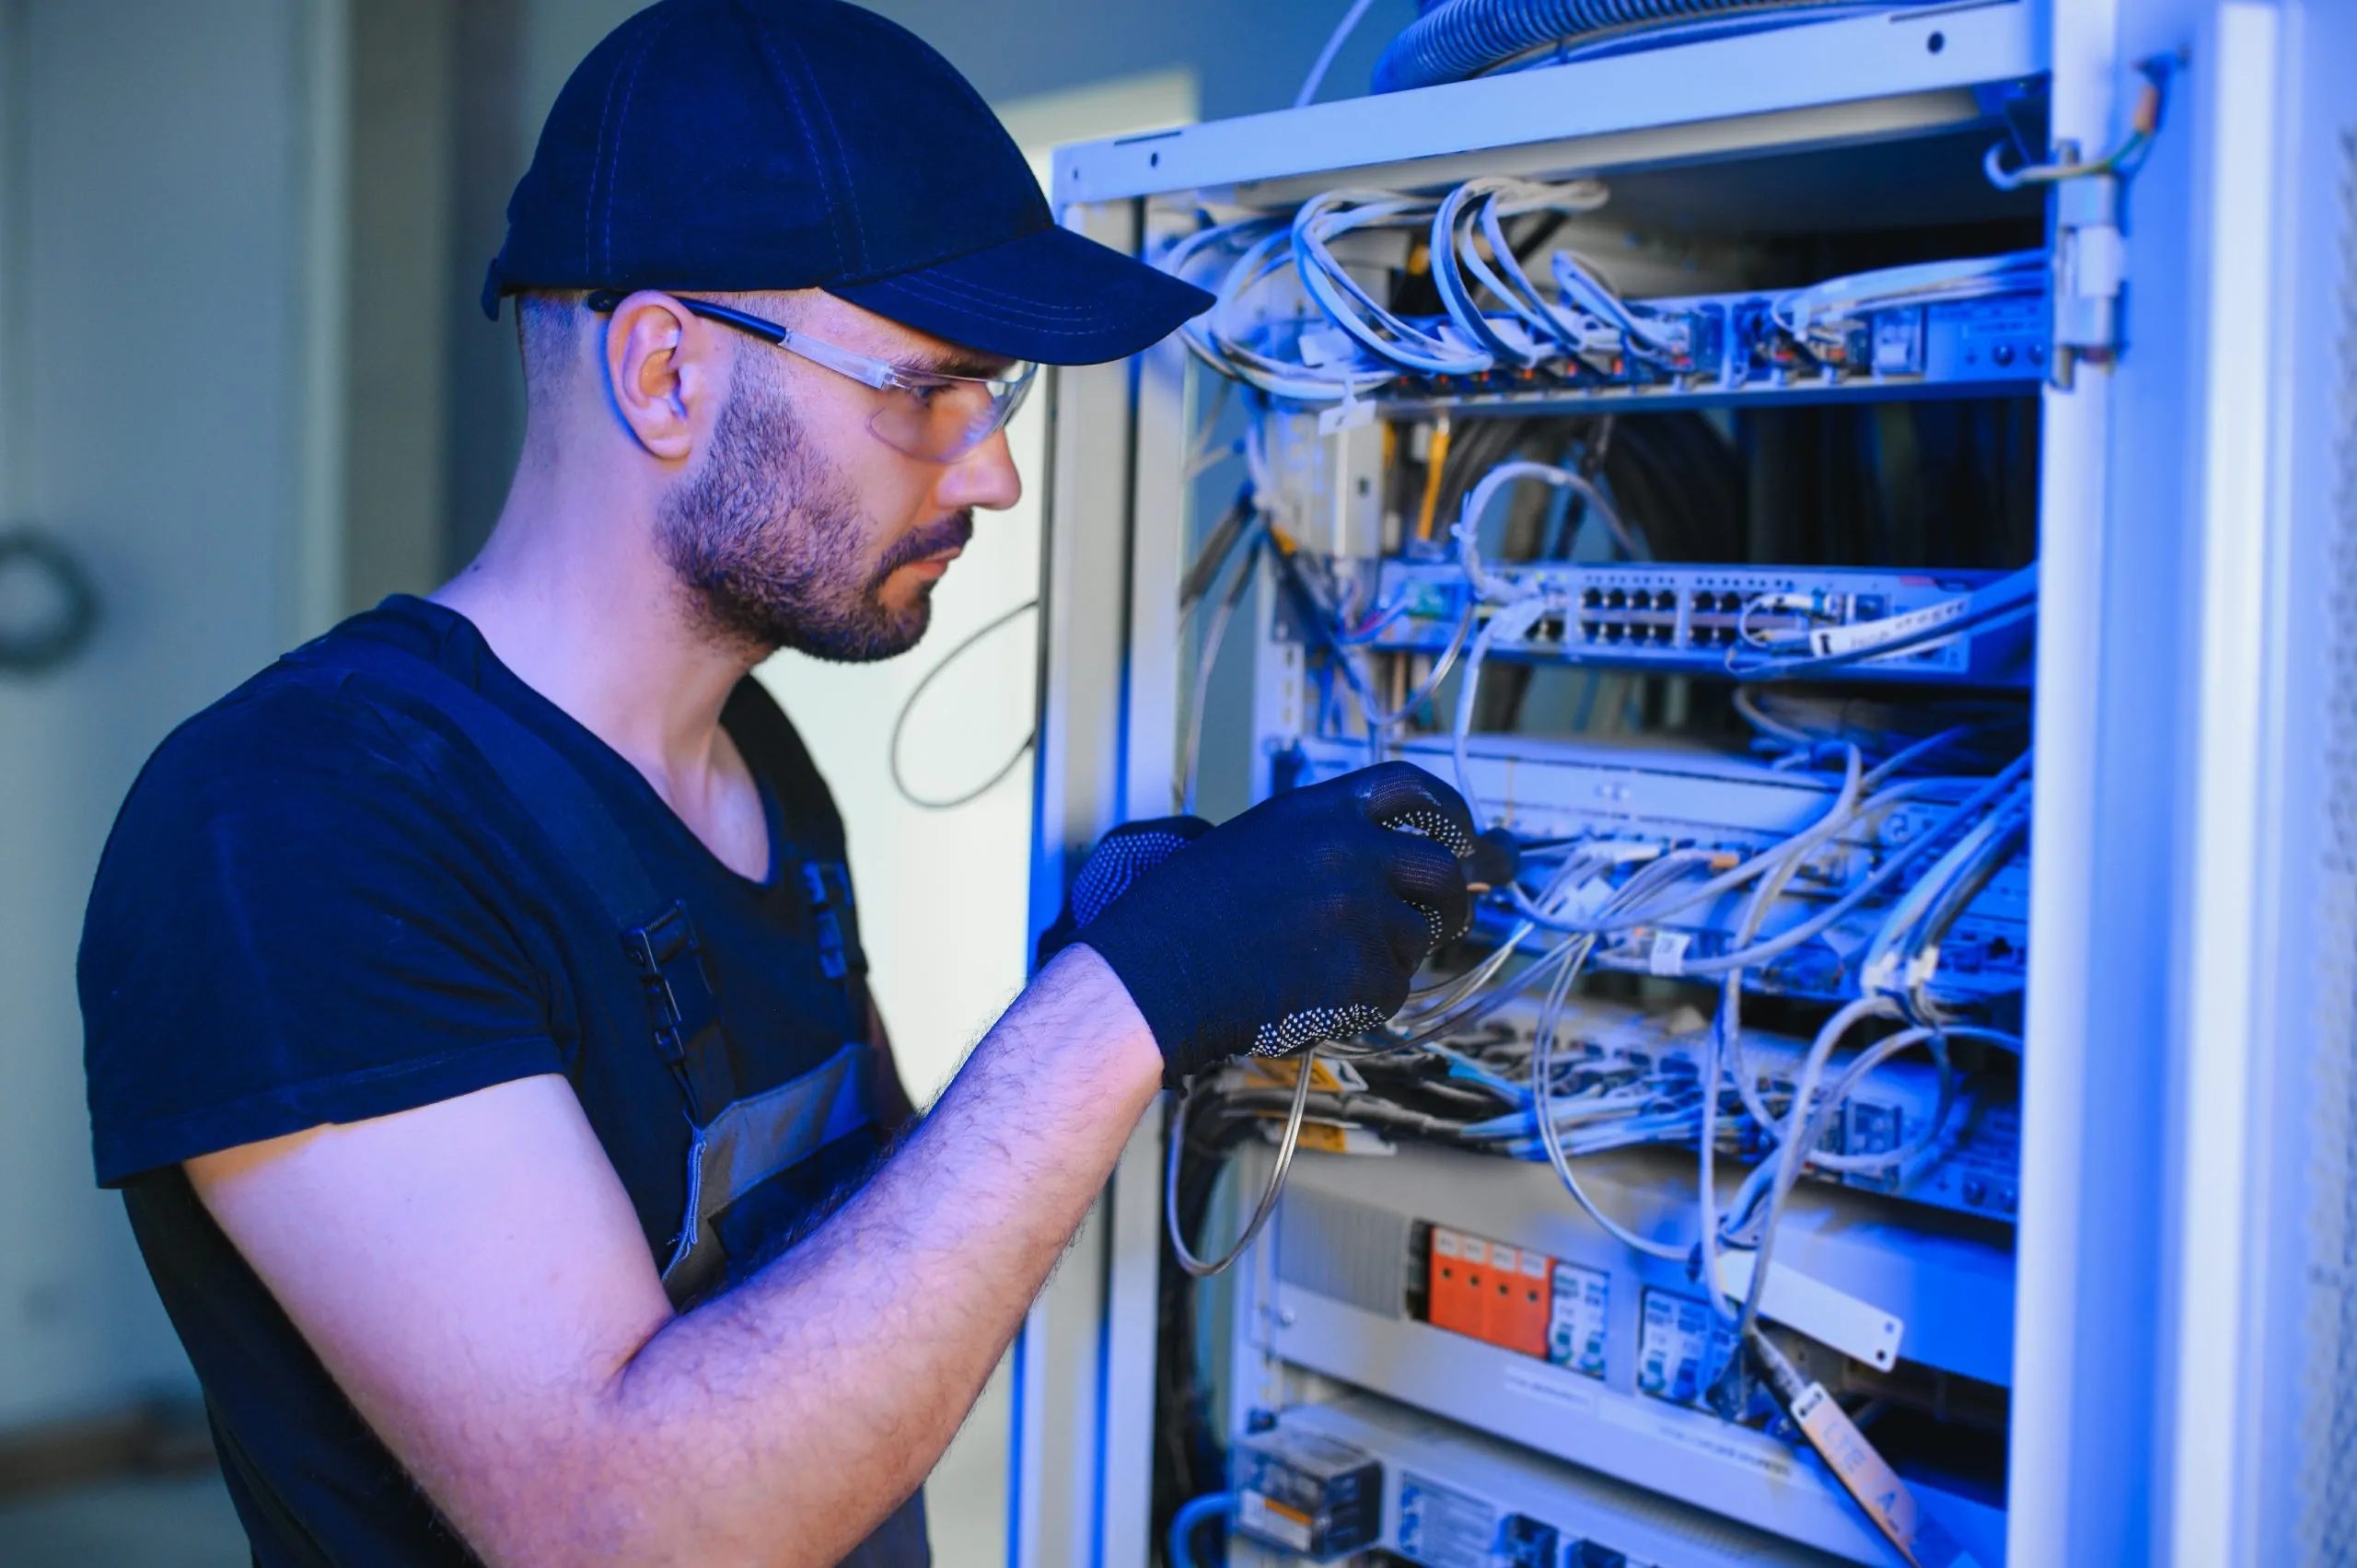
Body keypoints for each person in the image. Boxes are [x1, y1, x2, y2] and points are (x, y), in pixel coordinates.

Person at [77, 3, 1474, 1565]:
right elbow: (625, 1529)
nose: (992, 469)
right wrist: (1120, 1007)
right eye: (924, 386)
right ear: (664, 369)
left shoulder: (759, 761)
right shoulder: (295, 825)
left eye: (993, 393)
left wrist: (1120, 987)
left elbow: (858, 1311)